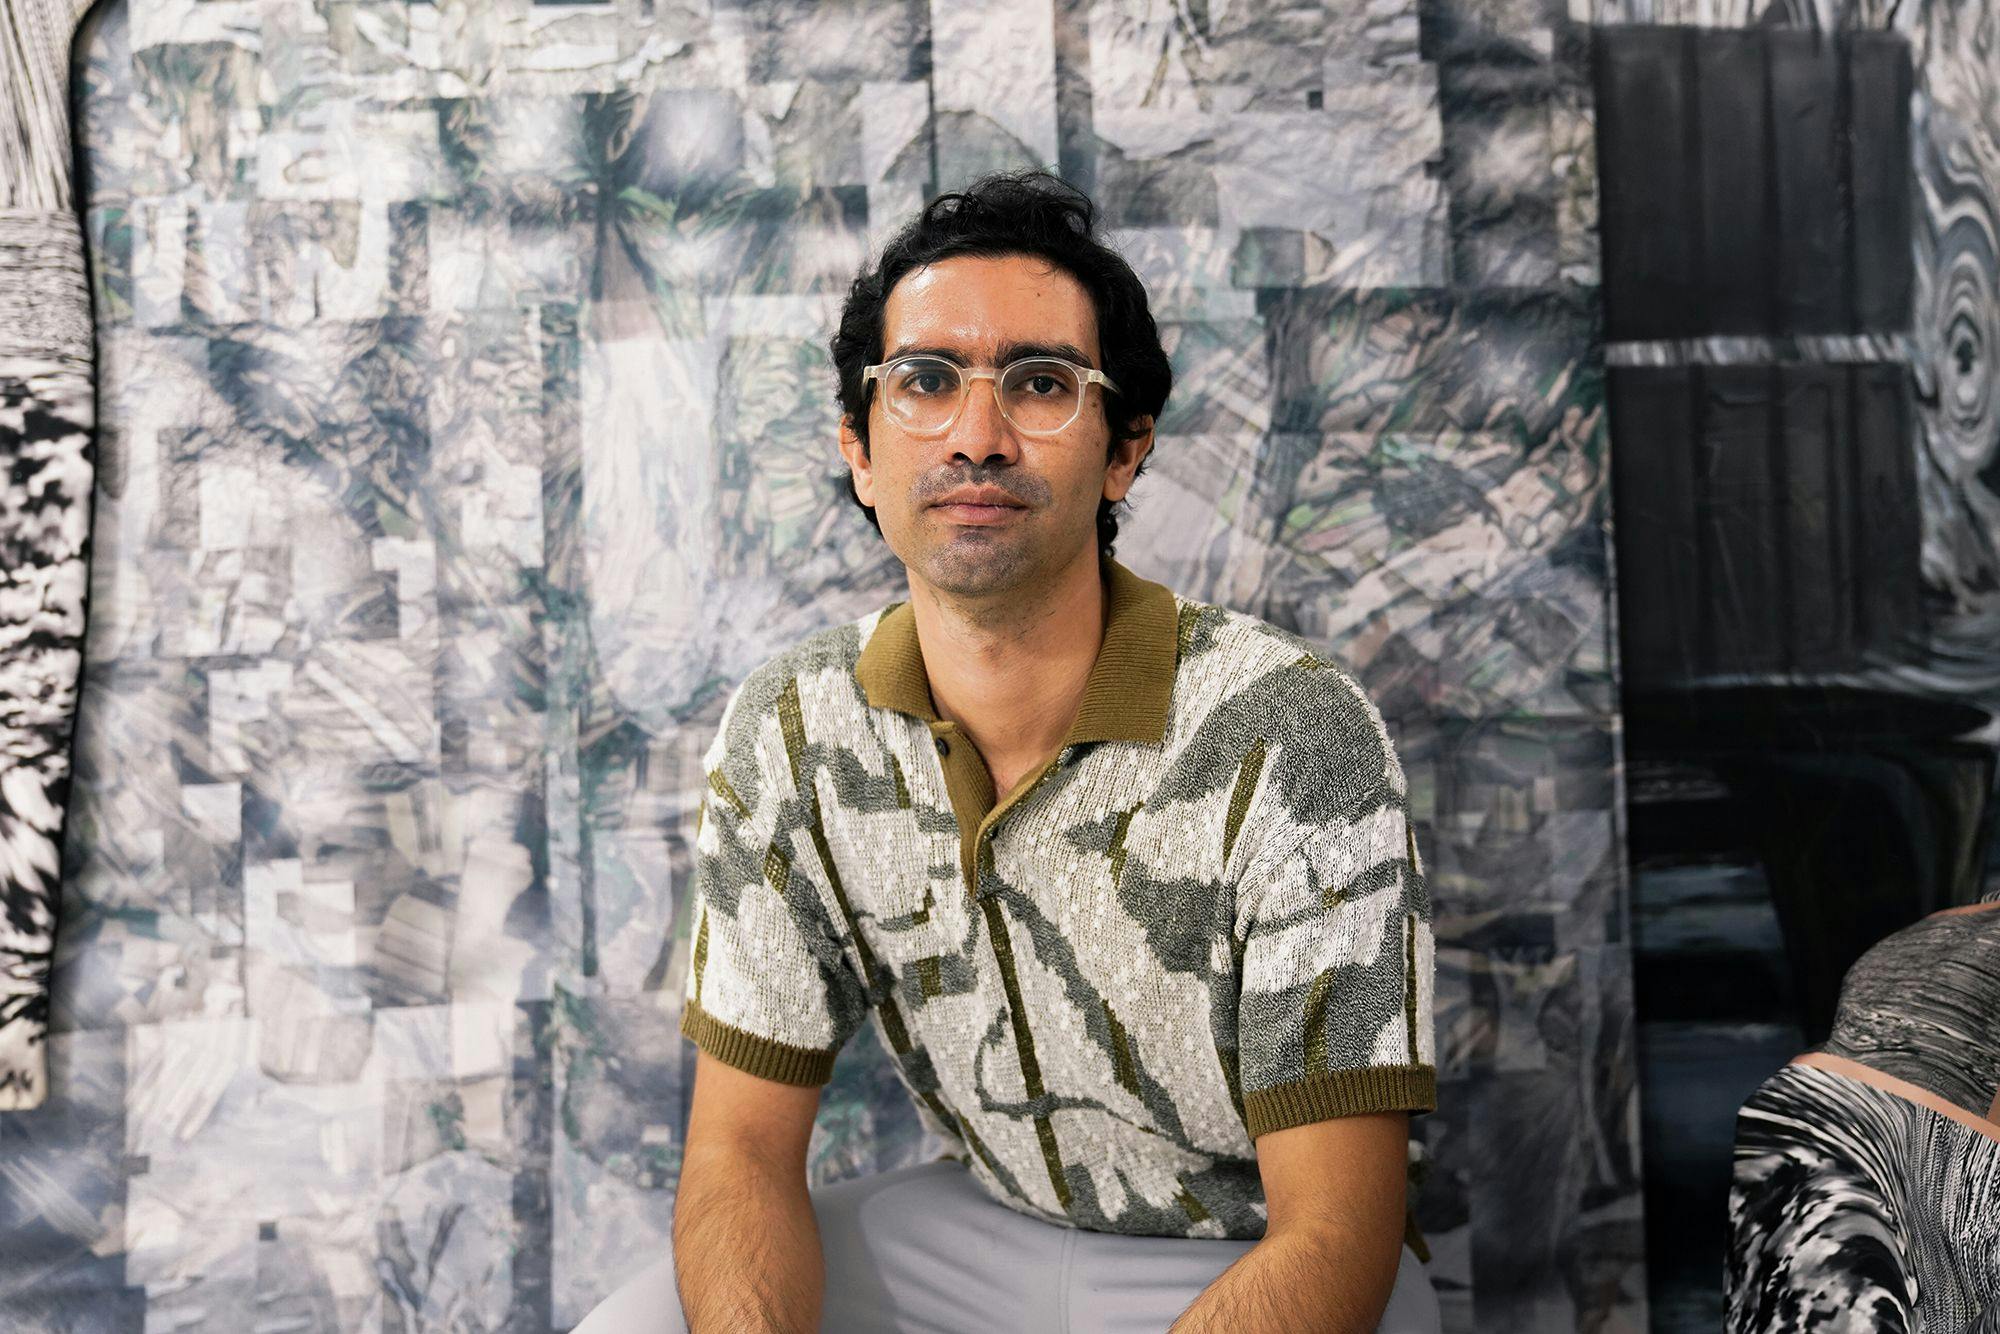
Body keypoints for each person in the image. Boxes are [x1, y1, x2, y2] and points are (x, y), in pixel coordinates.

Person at [576, 171, 1441, 1334]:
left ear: (1123, 451)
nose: (975, 436)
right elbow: (737, 1147)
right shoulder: (789, 729)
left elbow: (1336, 1230)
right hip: (980, 1229)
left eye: (1039, 384)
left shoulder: (1292, 731)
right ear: (859, 449)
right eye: (924, 382)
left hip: (1252, 1254)